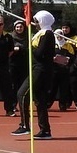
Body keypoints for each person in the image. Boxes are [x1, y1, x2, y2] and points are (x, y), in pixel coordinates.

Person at [12, 10, 55, 140]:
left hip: (41, 70)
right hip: (36, 68)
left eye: (37, 21)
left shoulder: (47, 34)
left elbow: (39, 53)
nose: (35, 24)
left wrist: (27, 47)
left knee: (22, 93)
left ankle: (25, 125)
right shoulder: (40, 34)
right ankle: (45, 130)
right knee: (40, 100)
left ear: (43, 21)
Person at [62, 21, 77, 111]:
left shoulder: (75, 38)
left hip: (73, 66)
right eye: (63, 28)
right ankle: (66, 103)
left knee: (74, 84)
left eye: (66, 28)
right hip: (63, 66)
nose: (65, 30)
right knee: (65, 85)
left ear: (70, 28)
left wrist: (76, 64)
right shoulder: (59, 37)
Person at [48, 29, 71, 111]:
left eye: (61, 34)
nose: (59, 36)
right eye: (57, 34)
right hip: (54, 70)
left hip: (64, 71)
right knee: (52, 89)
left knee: (63, 89)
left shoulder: (67, 45)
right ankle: (48, 104)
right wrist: (53, 58)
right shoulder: (52, 44)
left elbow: (71, 55)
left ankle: (63, 105)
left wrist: (68, 59)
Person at [9, 20, 29, 113]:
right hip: (13, 65)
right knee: (13, 86)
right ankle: (13, 105)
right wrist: (14, 49)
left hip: (24, 64)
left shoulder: (27, 37)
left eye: (21, 27)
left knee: (23, 86)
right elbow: (8, 49)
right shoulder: (11, 37)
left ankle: (24, 105)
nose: (19, 29)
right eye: (17, 27)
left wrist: (21, 48)